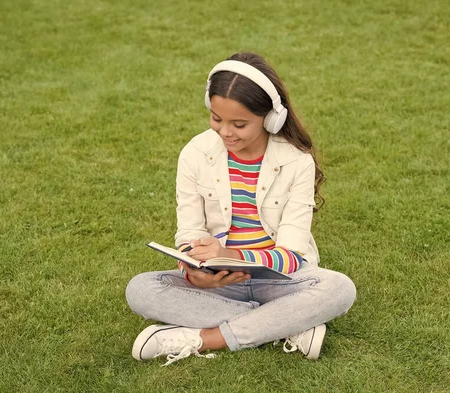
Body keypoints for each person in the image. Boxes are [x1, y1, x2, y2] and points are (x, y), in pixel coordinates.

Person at [125, 52, 356, 366]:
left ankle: (202, 338)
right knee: (141, 289)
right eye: (217, 119)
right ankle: (285, 325)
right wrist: (193, 274)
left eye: (239, 124)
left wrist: (236, 256)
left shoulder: (296, 162)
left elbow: (290, 255)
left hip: (279, 280)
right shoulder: (195, 153)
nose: (225, 132)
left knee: (340, 289)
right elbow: (190, 233)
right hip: (218, 285)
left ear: (270, 118)